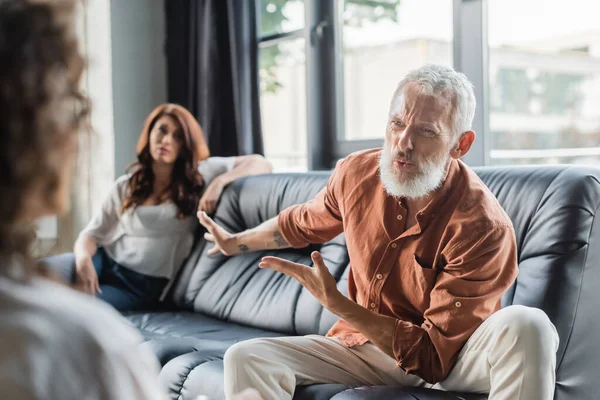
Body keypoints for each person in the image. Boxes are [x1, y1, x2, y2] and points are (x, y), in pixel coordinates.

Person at [199, 64, 560, 400]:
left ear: (460, 145)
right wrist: (236, 241)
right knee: (247, 356)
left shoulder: (482, 227)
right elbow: (299, 223)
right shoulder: (357, 174)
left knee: (529, 325)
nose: (404, 142)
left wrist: (337, 304)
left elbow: (432, 358)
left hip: (452, 355)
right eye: (398, 123)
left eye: (426, 131)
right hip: (367, 347)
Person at [0, 1, 164, 398]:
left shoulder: (199, 182)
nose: (79, 127)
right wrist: (84, 257)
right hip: (110, 263)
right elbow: (92, 231)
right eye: (73, 103)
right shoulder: (87, 348)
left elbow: (255, 161)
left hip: (149, 285)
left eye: (176, 134)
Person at [73, 103, 272, 311]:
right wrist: (83, 259)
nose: (166, 140)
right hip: (104, 262)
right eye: (161, 130)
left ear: (185, 144)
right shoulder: (127, 184)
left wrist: (219, 183)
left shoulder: (201, 175)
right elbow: (90, 235)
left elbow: (261, 163)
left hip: (141, 286)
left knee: (82, 311)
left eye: (177, 136)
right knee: (46, 293)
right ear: (149, 133)